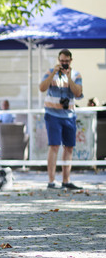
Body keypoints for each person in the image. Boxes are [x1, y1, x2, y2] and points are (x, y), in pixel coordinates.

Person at [39, 49, 84, 190]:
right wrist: (54, 73)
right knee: (54, 146)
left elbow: (78, 92)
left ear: (71, 60)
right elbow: (42, 88)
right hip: (52, 115)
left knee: (69, 147)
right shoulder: (50, 72)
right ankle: (51, 181)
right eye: (61, 61)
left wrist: (69, 77)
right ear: (58, 60)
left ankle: (66, 180)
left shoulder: (76, 74)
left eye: (66, 61)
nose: (64, 63)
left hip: (69, 115)